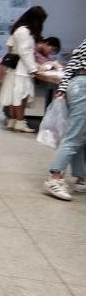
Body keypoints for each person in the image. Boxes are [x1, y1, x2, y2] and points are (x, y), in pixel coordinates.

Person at [42, 36, 86, 201]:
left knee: (80, 134)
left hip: (78, 84)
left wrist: (63, 87)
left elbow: (73, 63)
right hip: (83, 86)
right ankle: (55, 178)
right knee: (75, 135)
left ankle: (81, 178)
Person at [0, 6, 48, 133]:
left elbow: (13, 49)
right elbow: (25, 52)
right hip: (21, 69)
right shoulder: (24, 31)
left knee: (15, 95)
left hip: (17, 67)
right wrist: (33, 69)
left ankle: (13, 120)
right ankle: (20, 122)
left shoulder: (19, 29)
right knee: (21, 95)